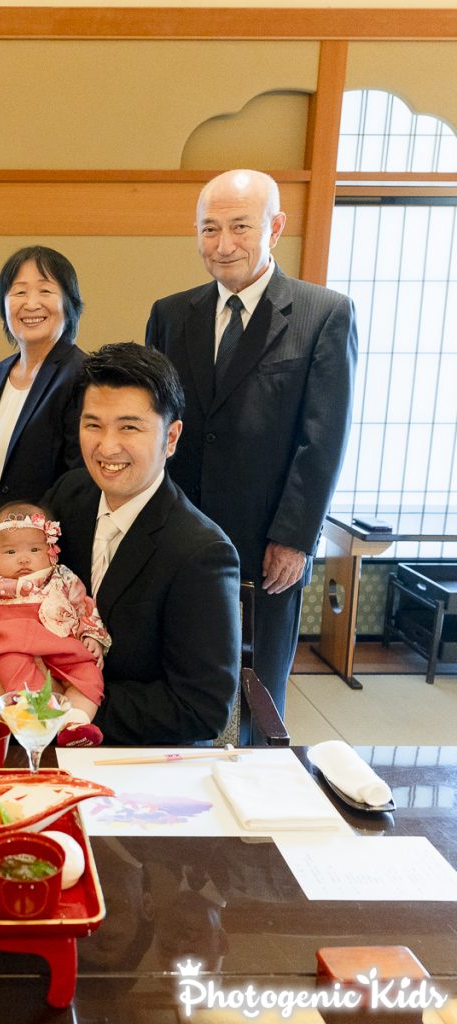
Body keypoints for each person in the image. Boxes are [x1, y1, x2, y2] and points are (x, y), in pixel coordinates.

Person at [146, 169, 358, 717]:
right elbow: (154, 425)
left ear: (275, 227)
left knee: (260, 692)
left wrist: (294, 537)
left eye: (240, 226)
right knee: (179, 678)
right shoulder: (171, 314)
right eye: (209, 229)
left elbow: (324, 437)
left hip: (268, 542)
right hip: (179, 530)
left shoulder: (323, 314)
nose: (223, 245)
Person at [39, 342, 240, 745]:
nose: (107, 447)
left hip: (136, 754)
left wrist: (65, 704)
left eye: (129, 427)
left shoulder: (201, 553)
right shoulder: (69, 495)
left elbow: (201, 708)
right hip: (39, 725)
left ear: (171, 438)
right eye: (93, 424)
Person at [0, 500, 110, 745]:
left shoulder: (61, 576)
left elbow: (84, 606)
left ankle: (76, 724)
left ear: (52, 549)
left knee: (89, 672)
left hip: (61, 641)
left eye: (34, 550)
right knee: (14, 671)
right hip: (12, 644)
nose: (23, 560)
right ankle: (42, 718)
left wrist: (92, 635)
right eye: (10, 552)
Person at [0, 246, 86, 569]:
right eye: (18, 292)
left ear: (68, 304)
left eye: (45, 290)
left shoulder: (81, 374)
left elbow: (79, 480)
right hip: (0, 555)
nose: (31, 304)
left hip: (47, 559)